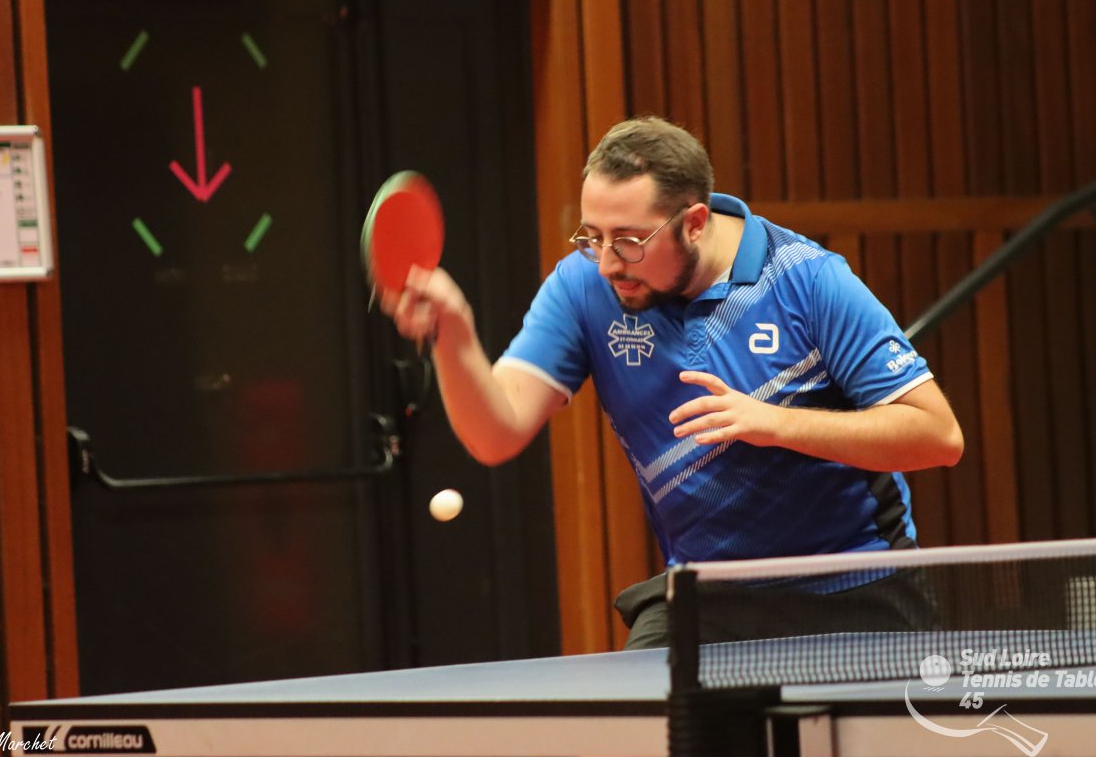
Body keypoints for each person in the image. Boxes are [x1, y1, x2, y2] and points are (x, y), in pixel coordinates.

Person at [382, 116, 963, 648]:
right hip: (707, 597)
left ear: (694, 222)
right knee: (635, 718)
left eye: (629, 241)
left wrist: (775, 423)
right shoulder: (584, 287)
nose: (607, 262)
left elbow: (938, 436)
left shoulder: (807, 282)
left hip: (854, 586)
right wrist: (453, 336)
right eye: (592, 235)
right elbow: (496, 434)